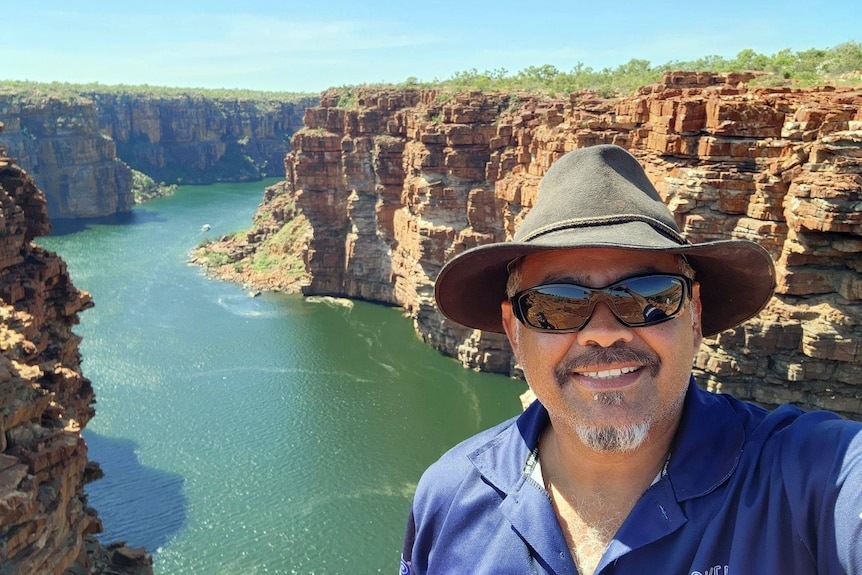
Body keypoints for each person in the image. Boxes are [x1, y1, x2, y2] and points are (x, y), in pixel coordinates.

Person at [399, 145, 862, 574]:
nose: (603, 333)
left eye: (648, 297)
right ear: (513, 332)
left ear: (695, 316)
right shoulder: (449, 497)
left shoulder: (809, 478)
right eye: (558, 304)